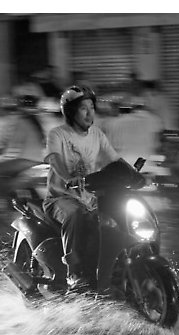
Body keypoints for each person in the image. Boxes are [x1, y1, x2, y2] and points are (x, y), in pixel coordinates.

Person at [43, 85, 121, 289]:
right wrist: (69, 177)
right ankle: (74, 273)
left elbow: (114, 160)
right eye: (83, 108)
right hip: (60, 199)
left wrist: (135, 175)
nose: (90, 113)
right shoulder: (57, 134)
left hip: (90, 198)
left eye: (92, 108)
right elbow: (55, 160)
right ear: (70, 112)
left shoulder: (97, 135)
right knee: (76, 214)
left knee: (115, 218)